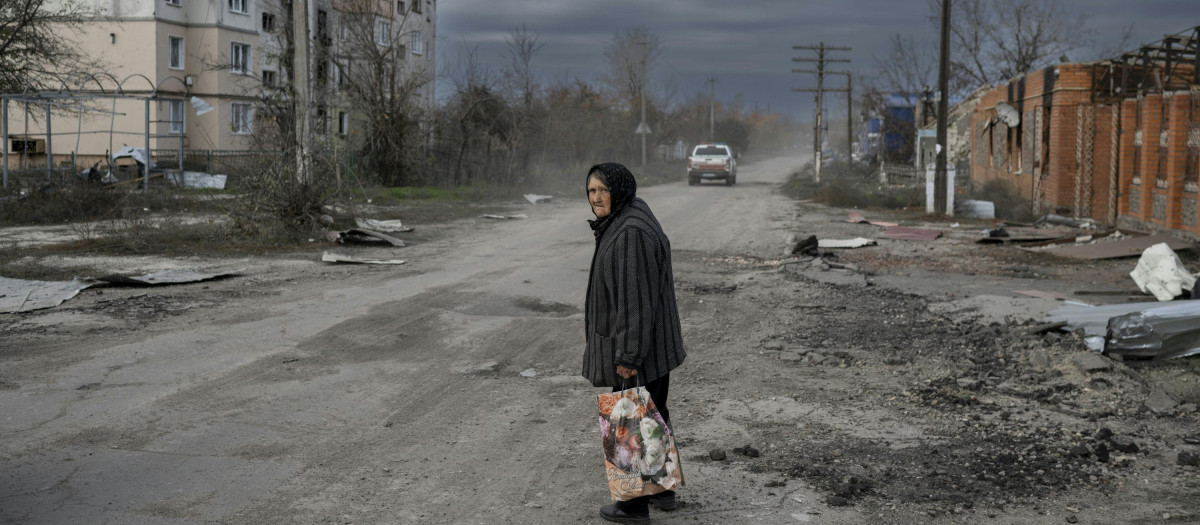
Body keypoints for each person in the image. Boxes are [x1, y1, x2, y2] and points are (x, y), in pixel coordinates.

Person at [582, 162, 686, 523]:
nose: (596, 198)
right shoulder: (632, 213)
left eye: (603, 190)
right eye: (592, 191)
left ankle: (632, 505)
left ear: (619, 191)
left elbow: (634, 302)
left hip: (641, 347)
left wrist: (628, 355)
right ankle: (662, 491)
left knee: (625, 418)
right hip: (655, 344)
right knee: (651, 417)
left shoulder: (629, 233)